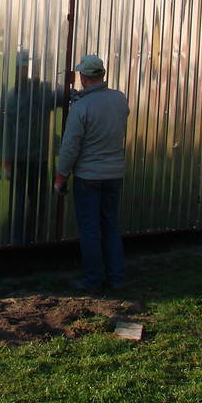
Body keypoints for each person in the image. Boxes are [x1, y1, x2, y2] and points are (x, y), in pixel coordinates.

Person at [54, 54, 130, 292]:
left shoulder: (81, 107)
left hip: (89, 177)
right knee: (110, 226)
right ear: (101, 75)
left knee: (89, 230)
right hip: (114, 175)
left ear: (84, 77)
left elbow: (70, 147)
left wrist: (60, 178)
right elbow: (107, 117)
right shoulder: (119, 99)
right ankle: (116, 278)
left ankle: (92, 281)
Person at [0, 50, 66, 244]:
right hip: (21, 160)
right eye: (23, 68)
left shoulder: (43, 91)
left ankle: (33, 238)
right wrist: (7, 162)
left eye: (30, 68)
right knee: (21, 202)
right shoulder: (12, 96)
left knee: (38, 202)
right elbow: (5, 131)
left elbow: (64, 96)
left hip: (39, 159)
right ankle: (19, 241)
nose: (27, 72)